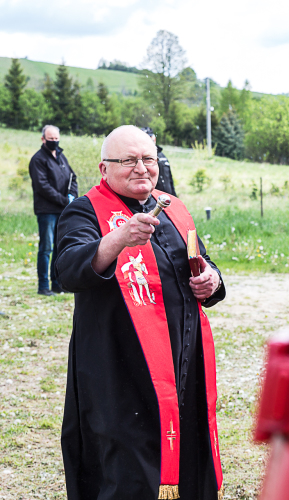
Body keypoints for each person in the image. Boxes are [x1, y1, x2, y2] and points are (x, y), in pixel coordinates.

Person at [56, 125, 225, 500]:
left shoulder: (173, 207)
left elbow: (203, 261)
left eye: (148, 159)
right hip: (119, 373)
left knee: (191, 462)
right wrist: (120, 237)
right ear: (104, 169)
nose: (141, 168)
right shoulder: (83, 211)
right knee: (127, 471)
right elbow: (67, 269)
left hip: (184, 364)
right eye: (128, 160)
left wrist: (211, 280)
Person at [29, 124, 78, 296]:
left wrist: (73, 196)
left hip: (63, 210)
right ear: (43, 139)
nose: (54, 142)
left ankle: (57, 283)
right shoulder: (38, 160)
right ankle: (43, 286)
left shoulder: (61, 157)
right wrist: (64, 200)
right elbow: (43, 186)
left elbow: (73, 177)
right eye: (51, 139)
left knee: (59, 247)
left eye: (57, 139)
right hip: (47, 210)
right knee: (46, 248)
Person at [141, 127, 177, 196]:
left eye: (151, 136)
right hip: (153, 199)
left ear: (154, 138)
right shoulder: (140, 158)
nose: (150, 139)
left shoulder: (162, 155)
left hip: (168, 197)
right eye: (147, 137)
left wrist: (174, 196)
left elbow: (170, 178)